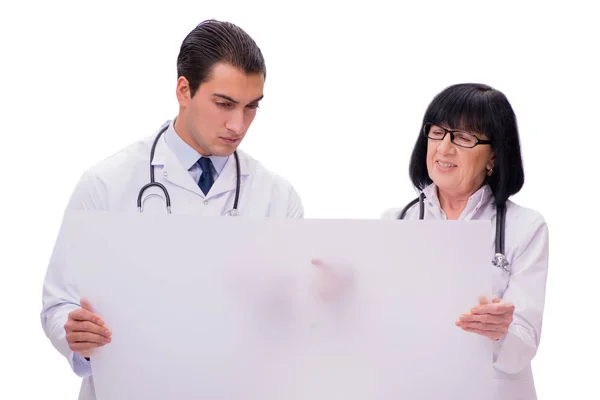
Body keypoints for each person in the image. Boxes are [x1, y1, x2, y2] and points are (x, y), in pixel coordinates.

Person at [40, 19, 303, 400]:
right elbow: (58, 302)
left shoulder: (279, 199)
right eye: (224, 104)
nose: (238, 124)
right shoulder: (106, 184)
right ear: (184, 90)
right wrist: (75, 331)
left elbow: (295, 321)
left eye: (251, 107)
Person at [382, 83, 549, 399]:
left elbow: (523, 344)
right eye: (437, 132)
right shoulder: (395, 222)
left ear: (494, 156)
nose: (444, 148)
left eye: (463, 137)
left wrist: (500, 331)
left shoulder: (524, 227)